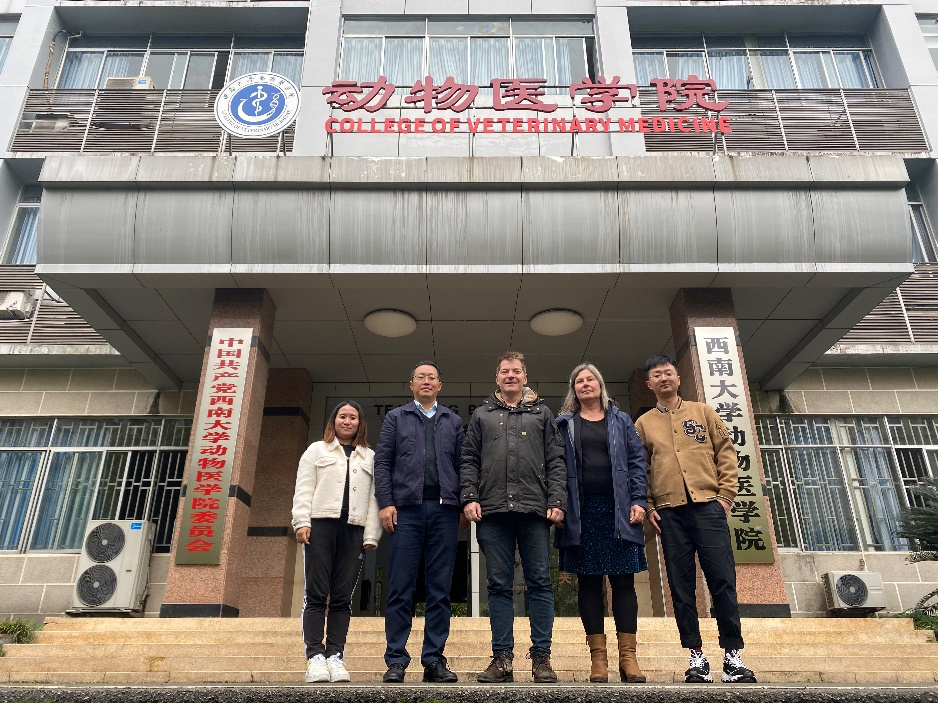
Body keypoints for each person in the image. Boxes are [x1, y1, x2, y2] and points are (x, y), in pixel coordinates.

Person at [634, 355, 757, 684]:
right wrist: (649, 505)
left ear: (678, 378)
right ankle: (696, 656)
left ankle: (733, 657)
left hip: (708, 507)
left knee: (722, 582)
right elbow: (639, 469)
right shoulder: (643, 424)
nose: (663, 378)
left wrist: (725, 496)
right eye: (656, 375)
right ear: (649, 384)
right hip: (669, 512)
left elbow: (726, 453)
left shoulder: (703, 412)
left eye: (668, 373)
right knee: (681, 586)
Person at [460, 351, 567, 684]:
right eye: (505, 371)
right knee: (498, 585)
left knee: (540, 583)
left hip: (535, 510)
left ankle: (541, 659)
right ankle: (502, 659)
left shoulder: (542, 414)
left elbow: (556, 460)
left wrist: (557, 500)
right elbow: (468, 460)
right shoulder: (482, 415)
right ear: (497, 378)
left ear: (525, 377)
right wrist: (469, 497)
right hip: (492, 511)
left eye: (516, 371)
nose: (510, 375)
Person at [554, 363, 648, 684]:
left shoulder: (621, 420)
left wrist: (639, 500)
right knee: (589, 584)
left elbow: (637, 462)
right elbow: (555, 467)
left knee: (623, 583)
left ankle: (628, 659)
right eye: (579, 381)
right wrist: (559, 505)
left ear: (600, 384)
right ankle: (599, 660)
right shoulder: (564, 424)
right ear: (574, 389)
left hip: (619, 510)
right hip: (580, 513)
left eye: (590, 379)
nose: (585, 384)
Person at [373, 361, 465, 684]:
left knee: (440, 590)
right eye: (420, 377)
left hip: (444, 511)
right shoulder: (396, 418)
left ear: (440, 385)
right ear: (410, 384)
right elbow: (382, 462)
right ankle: (396, 660)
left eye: (432, 377)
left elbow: (463, 465)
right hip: (406, 511)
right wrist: (386, 502)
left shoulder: (453, 421)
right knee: (401, 587)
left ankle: (434, 660)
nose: (426, 381)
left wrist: (462, 504)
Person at [292, 400, 381, 683]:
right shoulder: (316, 450)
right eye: (342, 416)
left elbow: (375, 498)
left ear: (360, 423)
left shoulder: (370, 456)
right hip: (320, 527)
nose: (347, 421)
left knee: (342, 598)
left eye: (353, 417)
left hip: (353, 530)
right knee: (317, 594)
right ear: (333, 421)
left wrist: (371, 534)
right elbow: (304, 488)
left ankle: (335, 655)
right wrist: (301, 521)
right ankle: (315, 657)